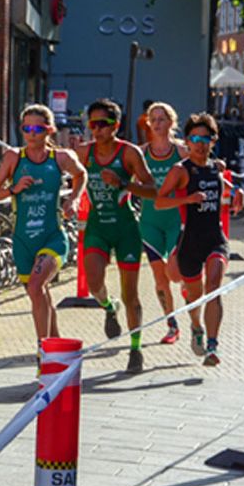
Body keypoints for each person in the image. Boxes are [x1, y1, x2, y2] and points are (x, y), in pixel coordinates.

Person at [0, 104, 85, 355]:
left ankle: (43, 352)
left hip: (52, 235)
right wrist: (12, 190)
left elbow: (81, 174)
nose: (30, 133)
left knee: (37, 286)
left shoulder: (61, 158)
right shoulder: (12, 158)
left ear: (49, 130)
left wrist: (73, 199)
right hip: (22, 240)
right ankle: (59, 347)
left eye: (37, 128)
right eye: (26, 128)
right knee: (40, 294)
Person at [75, 98, 156, 374]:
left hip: (125, 230)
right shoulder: (84, 153)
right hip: (97, 227)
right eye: (92, 124)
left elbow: (153, 189)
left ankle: (135, 349)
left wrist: (123, 183)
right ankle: (109, 307)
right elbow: (64, 170)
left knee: (131, 294)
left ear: (115, 126)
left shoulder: (129, 153)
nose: (96, 130)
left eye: (102, 124)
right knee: (94, 281)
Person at [156, 113, 242, 366]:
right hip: (190, 242)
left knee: (213, 287)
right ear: (187, 141)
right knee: (195, 296)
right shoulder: (180, 170)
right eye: (195, 138)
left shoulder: (215, 168)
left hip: (215, 238)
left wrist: (236, 192)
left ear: (213, 141)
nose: (200, 143)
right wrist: (187, 199)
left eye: (206, 138)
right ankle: (196, 326)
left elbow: (222, 186)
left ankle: (213, 346)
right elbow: (160, 201)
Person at [137, 102, 187, 345]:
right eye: (153, 119)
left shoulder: (182, 152)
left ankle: (189, 285)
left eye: (162, 119)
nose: (157, 123)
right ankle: (171, 324)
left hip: (175, 220)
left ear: (171, 123)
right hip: (149, 222)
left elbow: (203, 171)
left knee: (175, 275)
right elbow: (125, 177)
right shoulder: (141, 152)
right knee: (159, 278)